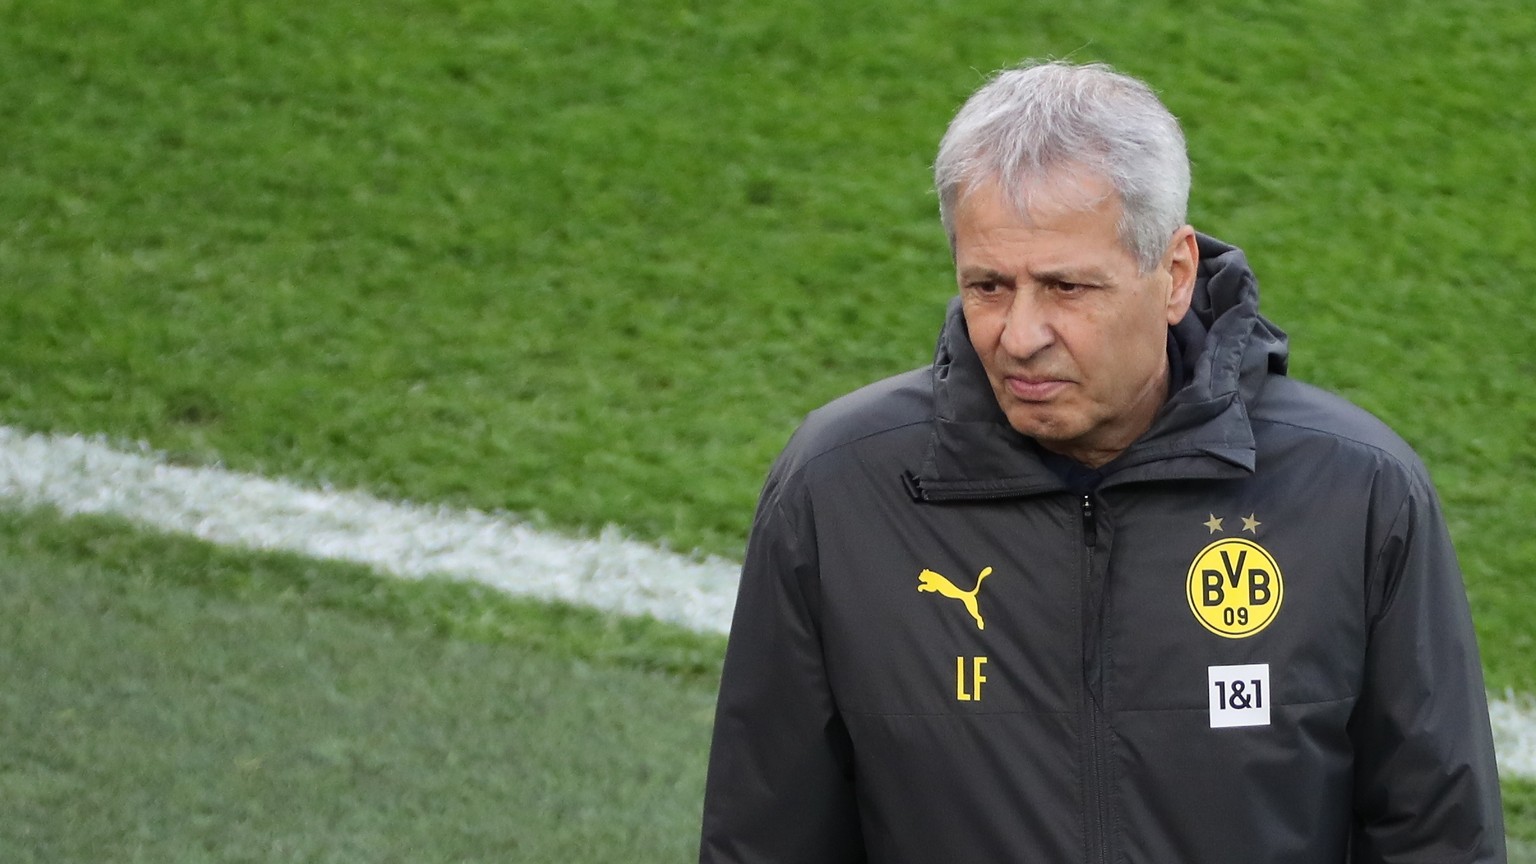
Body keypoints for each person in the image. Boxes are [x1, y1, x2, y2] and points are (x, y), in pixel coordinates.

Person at [698, 60, 1506, 863]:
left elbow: (1437, 839)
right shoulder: (839, 491)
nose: (1019, 335)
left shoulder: (1357, 493)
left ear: (1174, 276)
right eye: (987, 285)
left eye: (1067, 288)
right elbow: (764, 841)